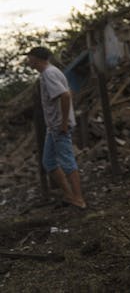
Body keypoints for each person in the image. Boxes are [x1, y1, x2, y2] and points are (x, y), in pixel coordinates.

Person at [26, 46, 87, 209]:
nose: (28, 61)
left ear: (36, 59)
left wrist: (64, 122)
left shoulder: (49, 74)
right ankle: (69, 195)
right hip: (53, 127)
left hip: (60, 127)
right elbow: (69, 92)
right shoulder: (52, 72)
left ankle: (79, 199)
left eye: (29, 58)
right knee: (49, 162)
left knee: (67, 162)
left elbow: (65, 95)